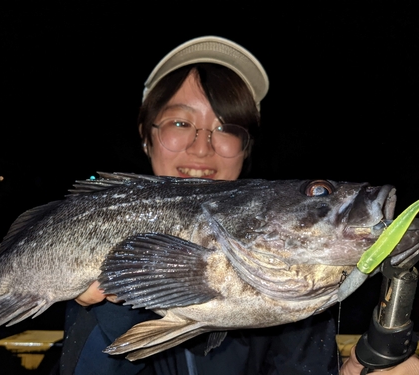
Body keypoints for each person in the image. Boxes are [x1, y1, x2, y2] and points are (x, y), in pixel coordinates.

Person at [59, 36, 419, 375]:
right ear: (146, 134)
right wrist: (104, 314)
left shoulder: (301, 274)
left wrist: (352, 369)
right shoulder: (92, 221)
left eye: (227, 128)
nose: (202, 147)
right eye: (181, 122)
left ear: (246, 148)